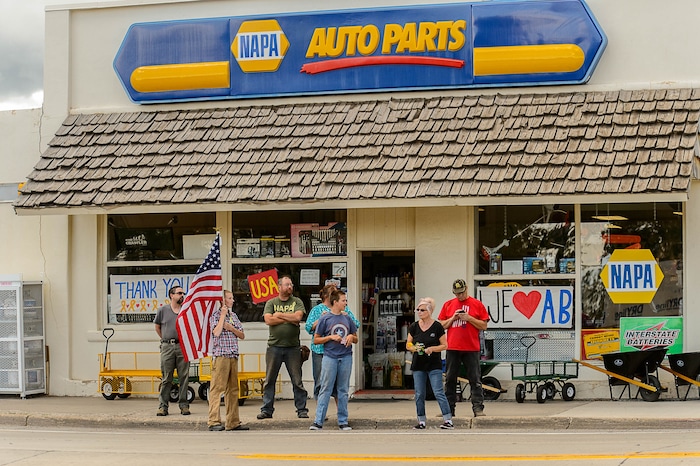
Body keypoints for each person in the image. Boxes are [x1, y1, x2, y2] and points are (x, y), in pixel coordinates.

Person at [258, 275, 309, 420]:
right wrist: (289, 318)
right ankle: (267, 409)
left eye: (291, 284)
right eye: (287, 285)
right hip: (274, 347)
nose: (290, 287)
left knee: (297, 380)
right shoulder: (271, 302)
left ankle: (301, 409)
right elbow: (268, 320)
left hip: (293, 348)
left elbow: (298, 318)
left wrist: (279, 315)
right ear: (279, 287)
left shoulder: (297, 301)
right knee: (269, 380)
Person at [438, 279, 489, 418]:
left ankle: (478, 408)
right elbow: (441, 325)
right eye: (456, 294)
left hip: (471, 347)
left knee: (475, 378)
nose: (459, 296)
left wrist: (469, 318)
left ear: (466, 289)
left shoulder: (477, 304)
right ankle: (448, 409)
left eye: (461, 293)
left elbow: (484, 325)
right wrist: (453, 319)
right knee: (450, 379)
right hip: (453, 346)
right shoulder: (448, 305)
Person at [310, 289, 357, 431]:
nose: (346, 303)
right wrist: (330, 337)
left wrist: (351, 337)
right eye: (343, 300)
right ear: (335, 302)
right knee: (325, 388)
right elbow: (316, 339)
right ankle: (318, 421)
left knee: (343, 389)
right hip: (330, 357)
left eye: (346, 300)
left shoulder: (347, 318)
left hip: (346, 356)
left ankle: (343, 420)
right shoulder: (325, 318)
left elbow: (356, 337)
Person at [305, 283, 361, 400]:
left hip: (339, 350)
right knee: (320, 382)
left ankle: (339, 410)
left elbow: (356, 324)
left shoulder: (343, 309)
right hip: (320, 350)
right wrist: (321, 319)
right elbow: (309, 327)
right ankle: (320, 411)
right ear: (326, 296)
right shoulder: (317, 309)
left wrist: (346, 317)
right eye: (333, 293)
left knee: (338, 383)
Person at [407, 297, 453, 429]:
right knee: (419, 393)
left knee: (438, 391)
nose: (419, 312)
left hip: (433, 364)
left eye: (422, 310)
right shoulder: (414, 326)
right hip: (418, 364)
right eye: (418, 310)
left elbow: (444, 345)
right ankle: (421, 420)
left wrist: (432, 349)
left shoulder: (437, 326)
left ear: (429, 311)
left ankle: (448, 419)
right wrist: (415, 348)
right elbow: (408, 344)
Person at [207, 290, 249, 431]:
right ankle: (213, 421)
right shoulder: (215, 316)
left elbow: (242, 334)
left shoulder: (234, 316)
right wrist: (223, 316)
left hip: (233, 354)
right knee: (217, 388)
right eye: (230, 298)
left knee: (233, 389)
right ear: (223, 301)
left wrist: (230, 328)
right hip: (221, 355)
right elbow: (216, 332)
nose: (233, 300)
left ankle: (233, 421)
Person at [154, 285, 190, 416]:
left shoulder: (185, 310)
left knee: (184, 377)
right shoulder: (163, 310)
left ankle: (184, 405)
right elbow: (157, 327)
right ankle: (163, 406)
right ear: (172, 295)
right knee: (166, 377)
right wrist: (165, 339)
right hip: (167, 346)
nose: (182, 295)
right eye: (179, 293)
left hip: (182, 346)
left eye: (183, 293)